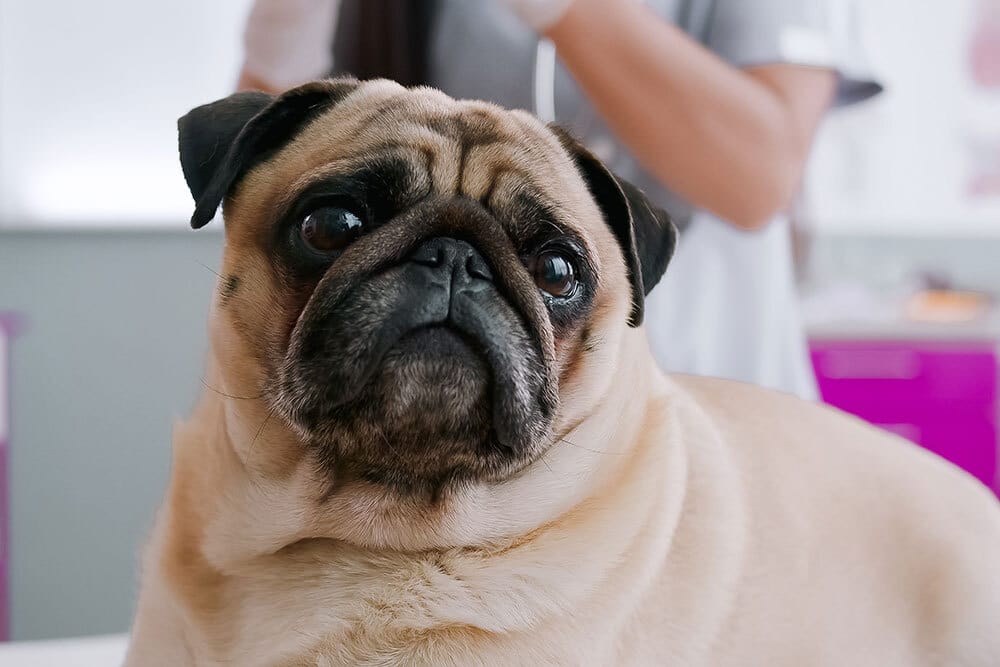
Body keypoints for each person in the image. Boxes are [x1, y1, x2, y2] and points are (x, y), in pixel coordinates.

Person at [237, 0, 882, 400]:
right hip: (424, 428)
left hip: (706, 394)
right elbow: (266, 179)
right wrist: (282, 41)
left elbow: (758, 176)